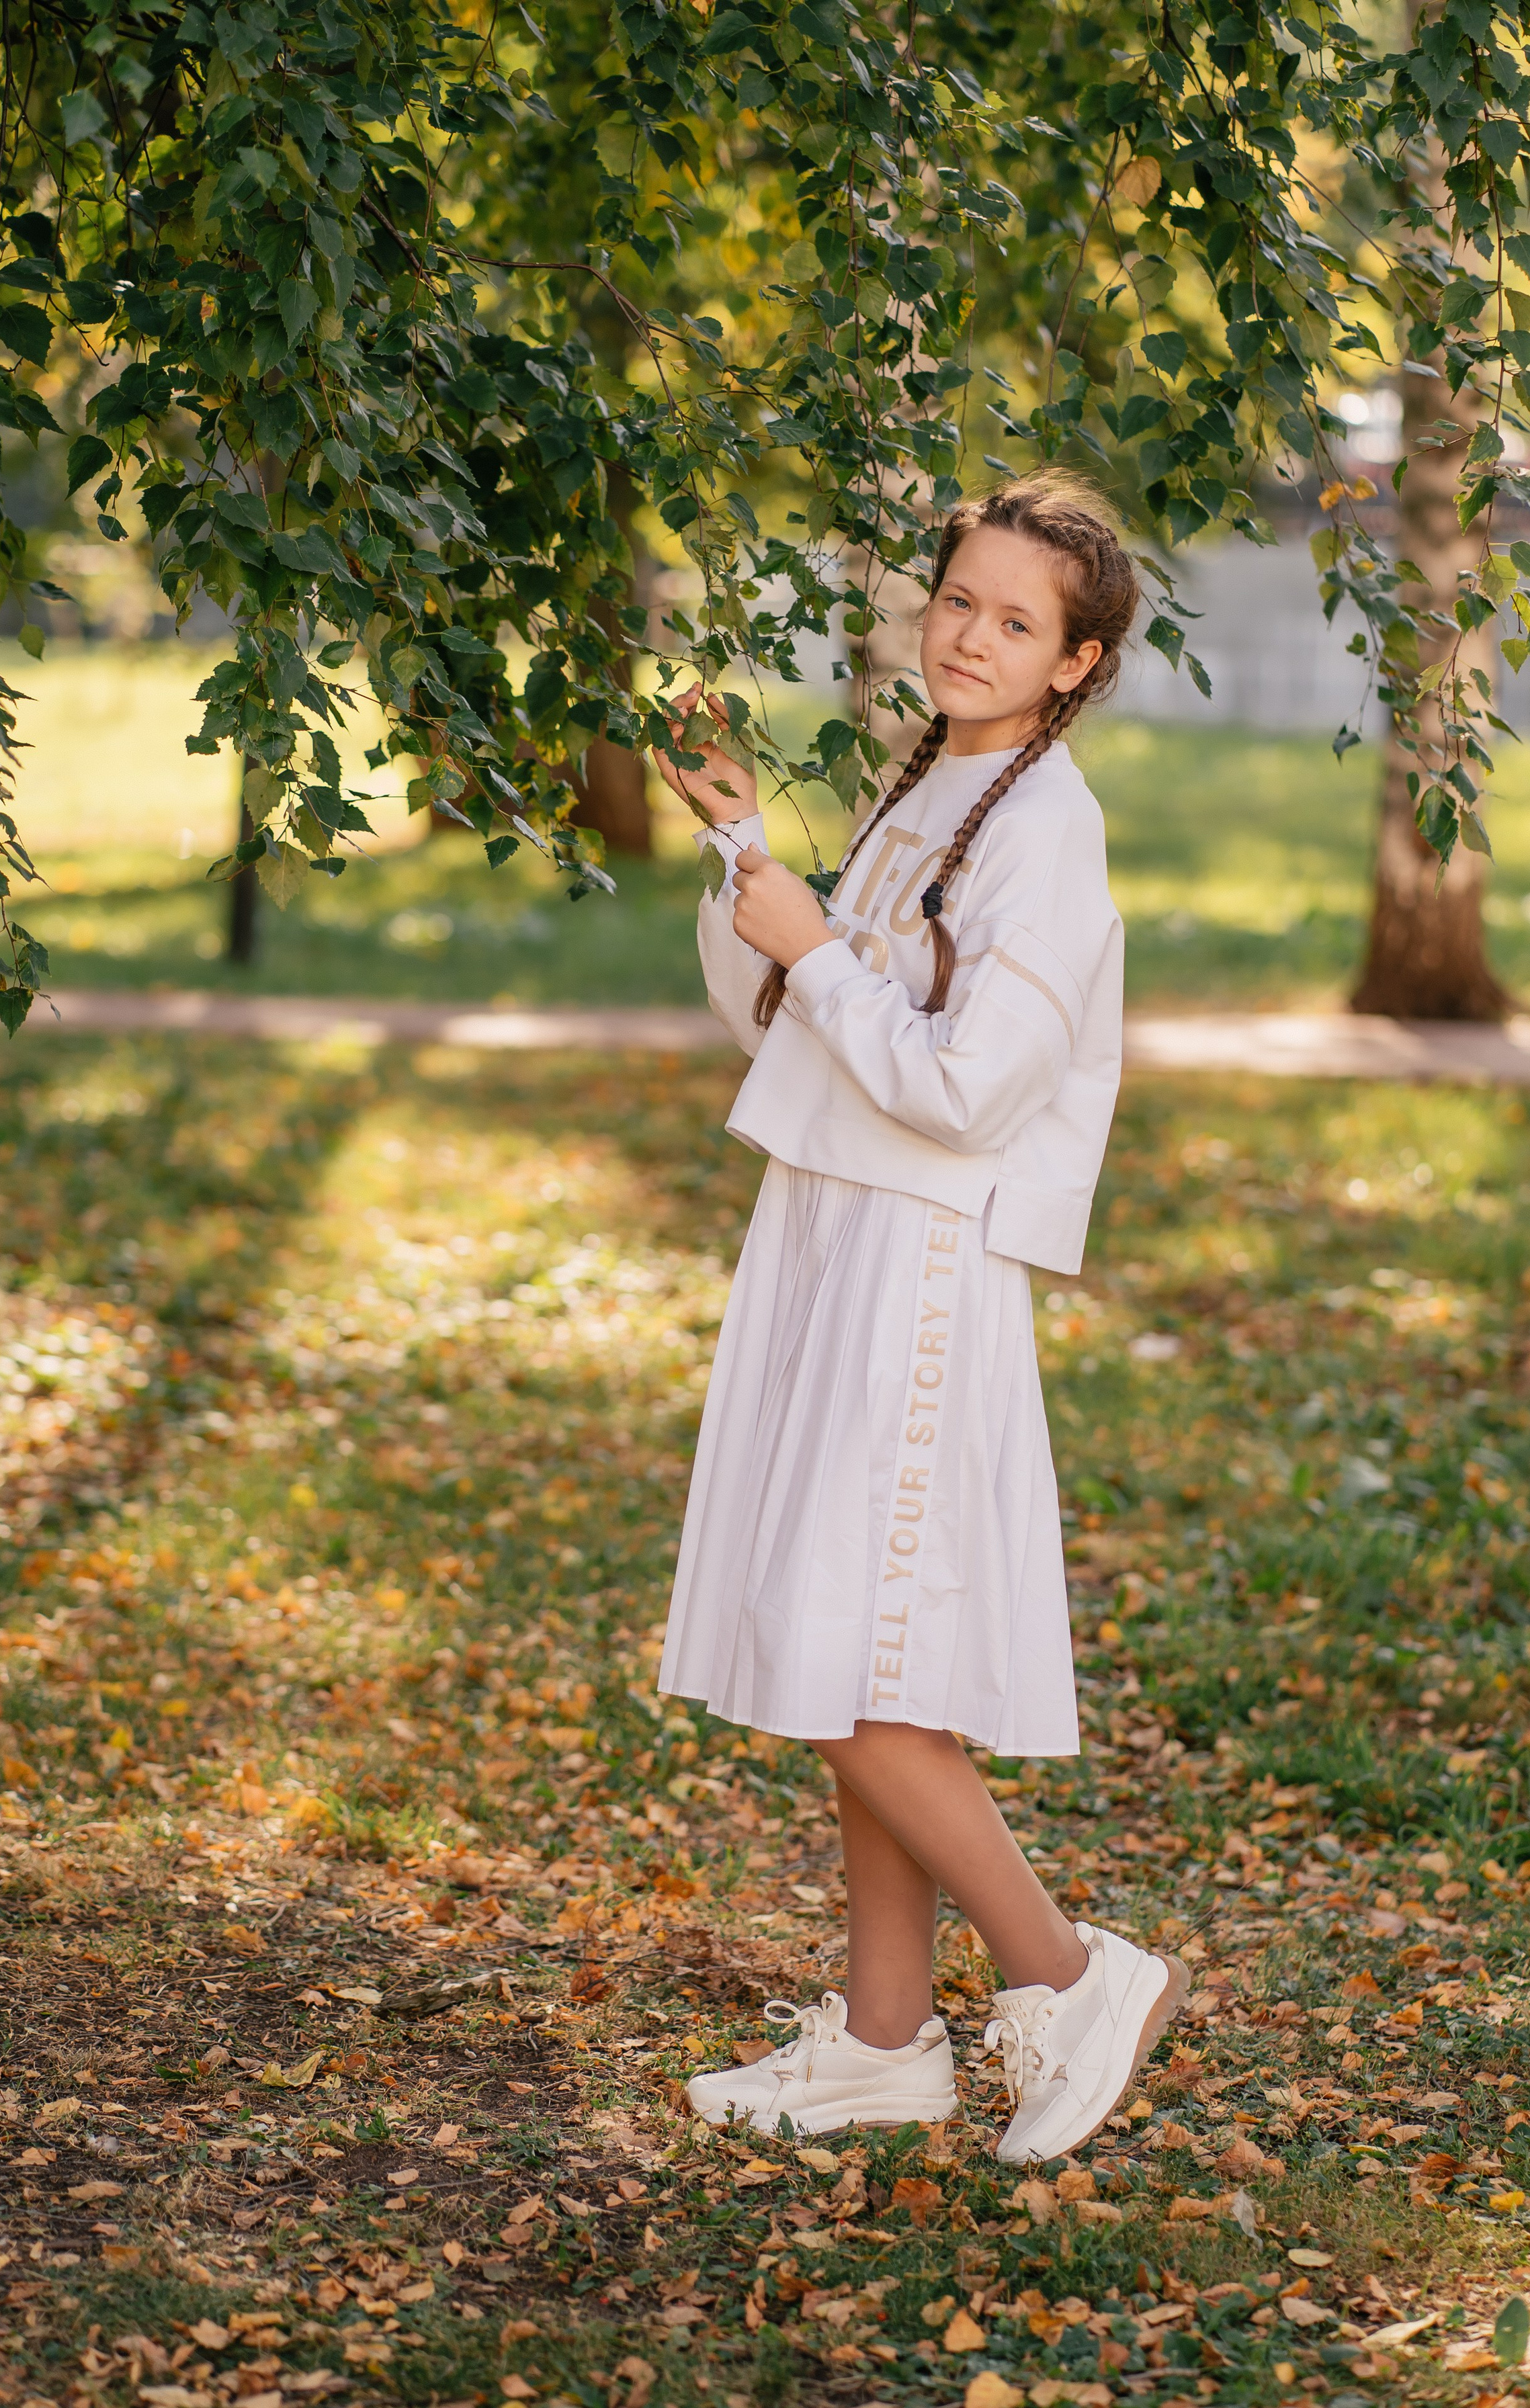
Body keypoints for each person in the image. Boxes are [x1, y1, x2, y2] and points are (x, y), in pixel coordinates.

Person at [649, 470, 1187, 2163]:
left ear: (1076, 661)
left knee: (845, 1653)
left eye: (1014, 620)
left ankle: (1066, 1972)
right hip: (823, 1231)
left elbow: (957, 1090)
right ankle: (885, 2044)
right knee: (857, 1652)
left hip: (918, 1258)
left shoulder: (1049, 835)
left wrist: (813, 951)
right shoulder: (934, 785)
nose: (968, 633)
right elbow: (798, 1014)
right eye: (958, 598)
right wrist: (745, 850)